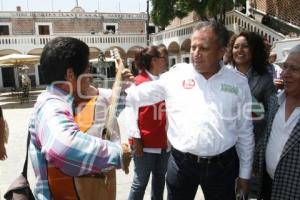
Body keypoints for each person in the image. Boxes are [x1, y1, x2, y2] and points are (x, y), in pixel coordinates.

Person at [125, 21, 254, 200]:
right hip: (181, 165)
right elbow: (136, 96)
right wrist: (115, 88)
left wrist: (245, 174)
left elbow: (245, 132)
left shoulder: (238, 83)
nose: (195, 54)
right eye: (193, 47)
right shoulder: (175, 76)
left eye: (203, 48)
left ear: (221, 51)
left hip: (222, 168)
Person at [28, 37, 132, 199]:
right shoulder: (50, 105)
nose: (90, 76)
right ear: (70, 74)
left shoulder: (68, 101)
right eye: (87, 70)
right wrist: (117, 153)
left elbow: (106, 116)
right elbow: (64, 147)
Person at [254, 44, 300, 200]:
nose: (285, 74)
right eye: (285, 67)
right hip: (266, 184)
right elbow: (267, 137)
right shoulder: (275, 102)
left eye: (294, 69)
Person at [128, 45, 169, 200]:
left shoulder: (165, 80)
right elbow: (131, 114)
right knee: (140, 183)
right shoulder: (138, 82)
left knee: (159, 181)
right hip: (145, 143)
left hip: (164, 141)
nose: (165, 61)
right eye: (162, 58)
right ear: (154, 61)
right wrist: (136, 140)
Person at [228, 31, 276, 143]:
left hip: (252, 140)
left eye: (245, 47)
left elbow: (272, 113)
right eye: (236, 47)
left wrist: (248, 117)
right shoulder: (223, 76)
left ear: (255, 50)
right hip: (225, 144)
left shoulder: (265, 80)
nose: (239, 50)